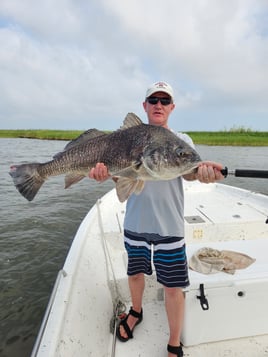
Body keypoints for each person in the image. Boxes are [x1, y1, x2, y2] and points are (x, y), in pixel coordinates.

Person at [89, 81, 224, 357]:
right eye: (154, 100)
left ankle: (174, 342)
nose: (159, 105)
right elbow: (120, 176)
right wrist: (103, 174)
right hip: (136, 224)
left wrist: (205, 171)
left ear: (172, 107)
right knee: (134, 273)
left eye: (165, 101)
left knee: (173, 287)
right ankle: (135, 311)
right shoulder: (128, 138)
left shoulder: (181, 141)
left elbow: (189, 171)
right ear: (145, 106)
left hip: (169, 227)